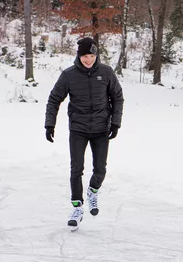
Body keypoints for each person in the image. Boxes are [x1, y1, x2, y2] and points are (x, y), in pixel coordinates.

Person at [44, 37, 124, 228]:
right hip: (78, 129)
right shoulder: (69, 75)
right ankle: (77, 207)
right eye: (84, 56)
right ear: (78, 56)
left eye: (91, 55)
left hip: (101, 128)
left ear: (96, 55)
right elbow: (54, 99)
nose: (87, 60)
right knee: (76, 168)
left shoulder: (106, 72)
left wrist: (115, 123)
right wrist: (49, 124)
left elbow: (118, 97)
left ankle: (93, 191)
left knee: (100, 169)